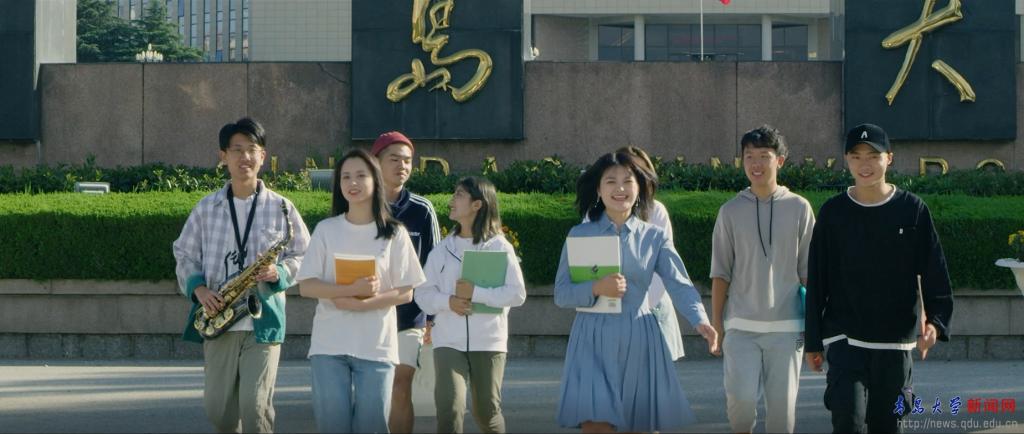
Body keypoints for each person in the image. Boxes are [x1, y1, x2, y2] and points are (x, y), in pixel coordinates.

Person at [554, 150, 718, 433]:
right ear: (598, 189)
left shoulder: (654, 236)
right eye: (611, 181)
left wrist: (700, 320)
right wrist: (596, 288)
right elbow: (562, 293)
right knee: (595, 425)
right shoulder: (579, 235)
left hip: (640, 338)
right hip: (591, 339)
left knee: (639, 425)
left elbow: (679, 282)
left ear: (640, 187)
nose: (620, 188)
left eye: (628, 181)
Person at [805, 123, 954, 433]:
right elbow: (817, 279)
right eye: (856, 156)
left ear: (889, 158)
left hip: (894, 341)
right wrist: (813, 341)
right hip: (844, 337)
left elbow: (934, 271)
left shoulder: (912, 210)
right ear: (847, 160)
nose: (865, 164)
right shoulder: (833, 213)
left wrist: (936, 324)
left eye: (873, 156)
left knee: (887, 425)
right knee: (848, 420)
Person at [172, 117, 311, 434]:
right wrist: (199, 289)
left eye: (252, 149)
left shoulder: (282, 208)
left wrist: (279, 272)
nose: (245, 157)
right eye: (237, 149)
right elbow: (184, 254)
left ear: (263, 156)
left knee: (255, 407)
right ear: (223, 156)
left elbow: (305, 254)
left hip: (263, 321)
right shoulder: (206, 208)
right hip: (219, 317)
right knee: (219, 412)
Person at [296, 149, 427, 433]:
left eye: (360, 175)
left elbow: (406, 292)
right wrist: (350, 289)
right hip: (329, 346)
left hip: (376, 347)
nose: (352, 183)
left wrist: (365, 303)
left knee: (373, 426)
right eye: (345, 177)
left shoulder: (394, 233)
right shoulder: (326, 230)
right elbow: (306, 286)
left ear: (375, 180)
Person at [709, 126, 814, 433]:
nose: (756, 164)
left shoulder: (800, 208)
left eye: (764, 156)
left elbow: (809, 273)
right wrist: (717, 325)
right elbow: (720, 273)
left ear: (779, 161)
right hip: (741, 328)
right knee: (740, 409)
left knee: (782, 416)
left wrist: (815, 329)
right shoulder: (730, 211)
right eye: (749, 156)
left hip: (788, 329)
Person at [415, 176, 527, 433]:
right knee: (449, 408)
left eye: (459, 195)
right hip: (448, 341)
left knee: (486, 412)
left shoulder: (500, 247)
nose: (451, 200)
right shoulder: (442, 250)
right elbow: (422, 294)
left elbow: (517, 294)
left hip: (489, 341)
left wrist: (476, 293)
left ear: (477, 205)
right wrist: (448, 302)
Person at [370, 131, 442, 434]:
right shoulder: (359, 204)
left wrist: (432, 318)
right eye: (394, 159)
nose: (402, 166)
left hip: (410, 315)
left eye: (408, 160)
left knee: (401, 385)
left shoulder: (422, 210)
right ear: (376, 162)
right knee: (374, 389)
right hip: (367, 313)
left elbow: (435, 265)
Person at [613, 146, 686, 361]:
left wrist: (638, 308)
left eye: (639, 173)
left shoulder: (656, 211)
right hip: (608, 314)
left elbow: (664, 271)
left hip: (651, 312)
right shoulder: (595, 214)